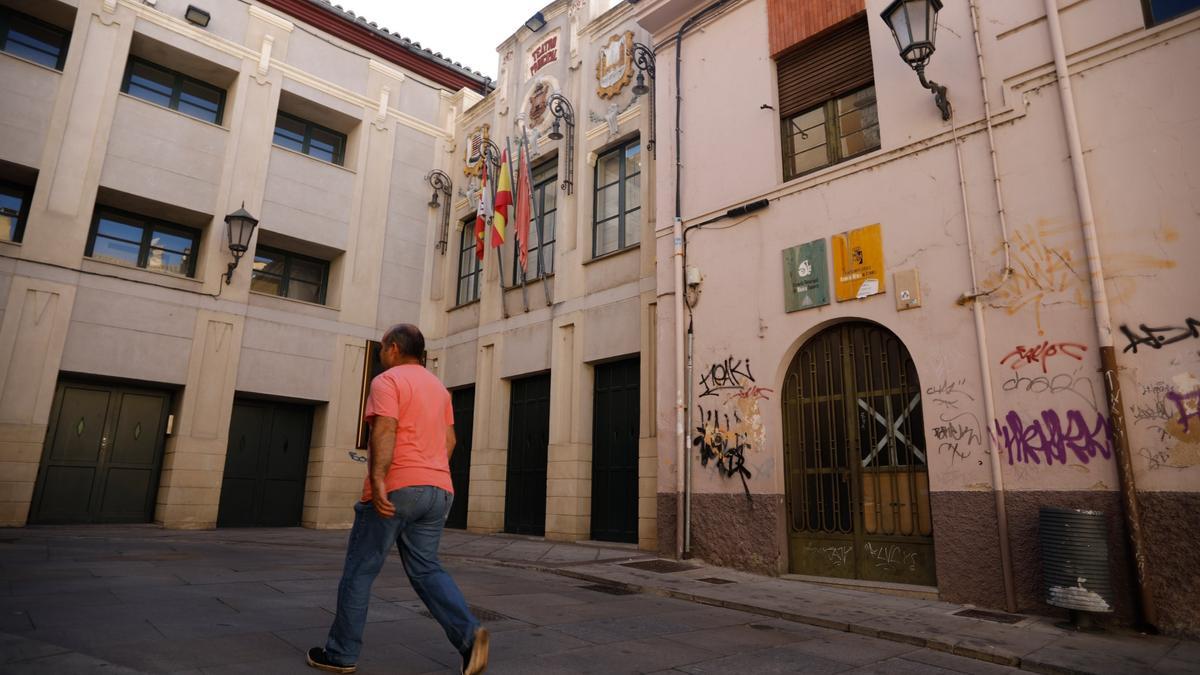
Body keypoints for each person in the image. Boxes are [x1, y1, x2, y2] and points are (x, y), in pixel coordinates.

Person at [308, 324, 489, 675]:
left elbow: (385, 428)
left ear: (393, 348)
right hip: (439, 489)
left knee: (359, 572)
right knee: (427, 568)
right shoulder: (439, 389)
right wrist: (428, 472)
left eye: (381, 349)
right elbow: (450, 441)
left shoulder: (387, 381)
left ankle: (341, 654)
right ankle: (469, 636)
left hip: (398, 487)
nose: (380, 355)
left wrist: (378, 478)